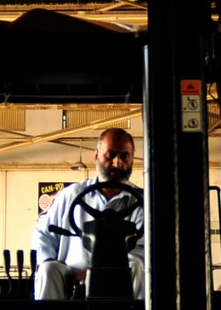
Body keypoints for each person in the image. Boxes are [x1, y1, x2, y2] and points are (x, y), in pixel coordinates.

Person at [31, 127, 145, 300]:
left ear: (131, 159)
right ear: (96, 155)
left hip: (121, 275)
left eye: (124, 156)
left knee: (137, 268)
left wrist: (100, 272)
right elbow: (43, 234)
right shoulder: (71, 195)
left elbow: (142, 249)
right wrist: (48, 259)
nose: (117, 162)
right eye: (110, 155)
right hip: (72, 277)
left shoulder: (142, 203)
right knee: (48, 270)